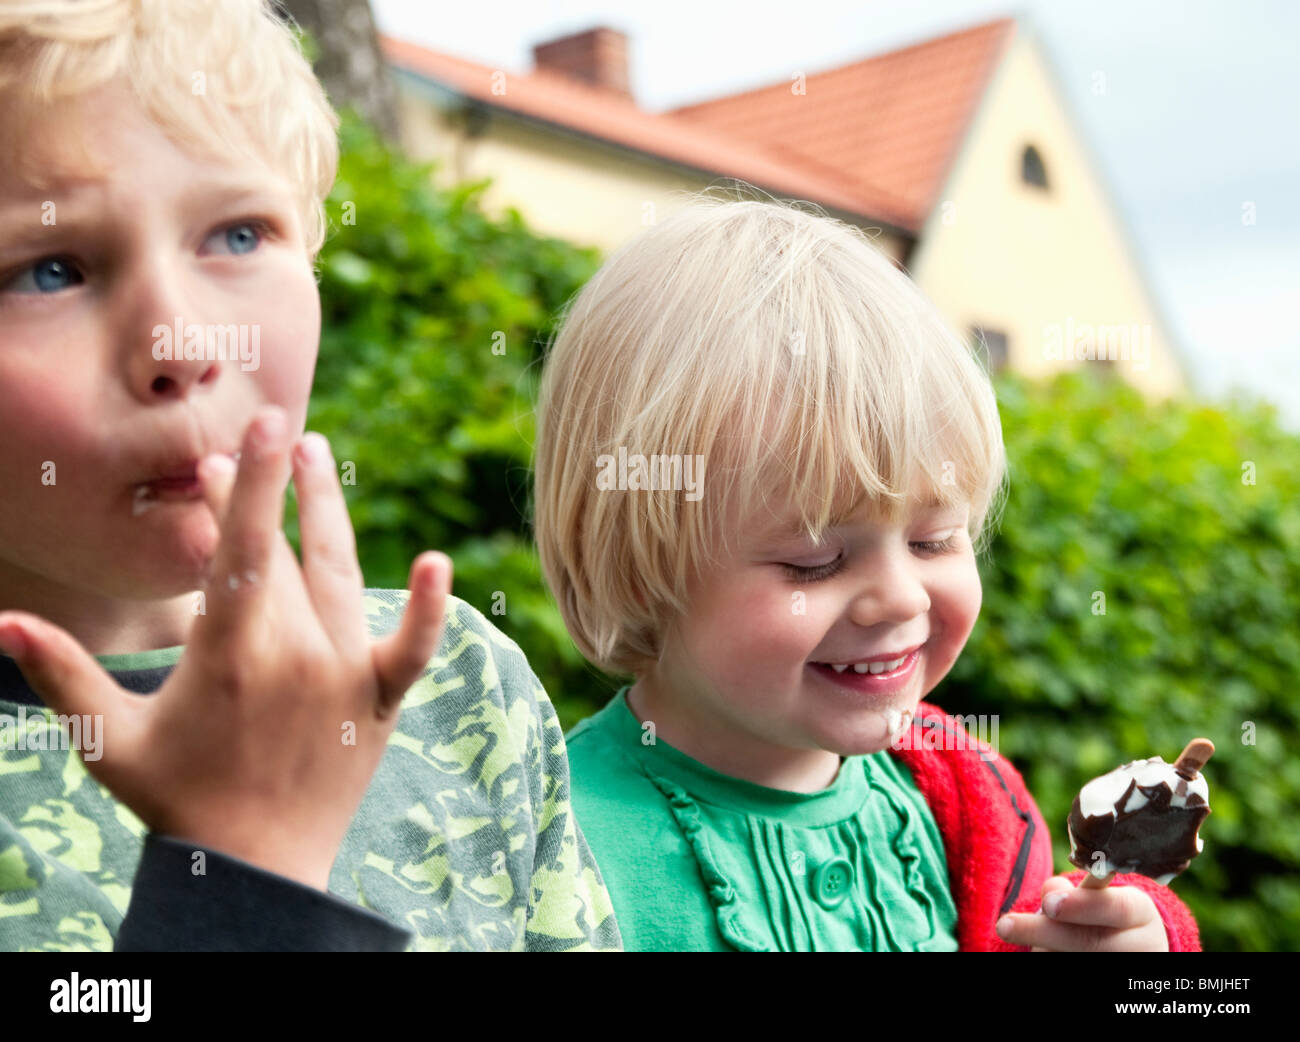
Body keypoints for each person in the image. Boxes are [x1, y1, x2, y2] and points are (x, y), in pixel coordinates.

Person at [0, 0, 619, 952]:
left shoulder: (460, 680)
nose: (183, 342)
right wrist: (243, 875)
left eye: (239, 235)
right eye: (50, 270)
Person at [531, 189, 1201, 951]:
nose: (898, 596)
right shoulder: (552, 850)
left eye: (935, 540)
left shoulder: (967, 798)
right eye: (813, 561)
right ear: (643, 566)